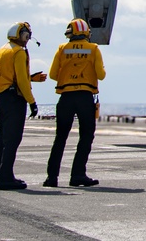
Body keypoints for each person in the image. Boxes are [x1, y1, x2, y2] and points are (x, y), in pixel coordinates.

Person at [43, 18, 106, 188]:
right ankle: (78, 174)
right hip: (85, 97)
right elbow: (101, 75)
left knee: (60, 138)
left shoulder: (62, 49)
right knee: (86, 136)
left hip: (66, 97)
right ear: (86, 32)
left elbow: (53, 75)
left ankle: (52, 178)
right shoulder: (93, 49)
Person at [0, 21, 46, 190]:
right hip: (14, 99)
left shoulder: (2, 50)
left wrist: (32, 78)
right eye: (27, 36)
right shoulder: (19, 52)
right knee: (13, 139)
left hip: (1, 97)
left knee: (3, 139)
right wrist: (32, 102)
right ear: (23, 35)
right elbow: (21, 81)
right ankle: (7, 177)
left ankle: (2, 173)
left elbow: (14, 76)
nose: (28, 39)